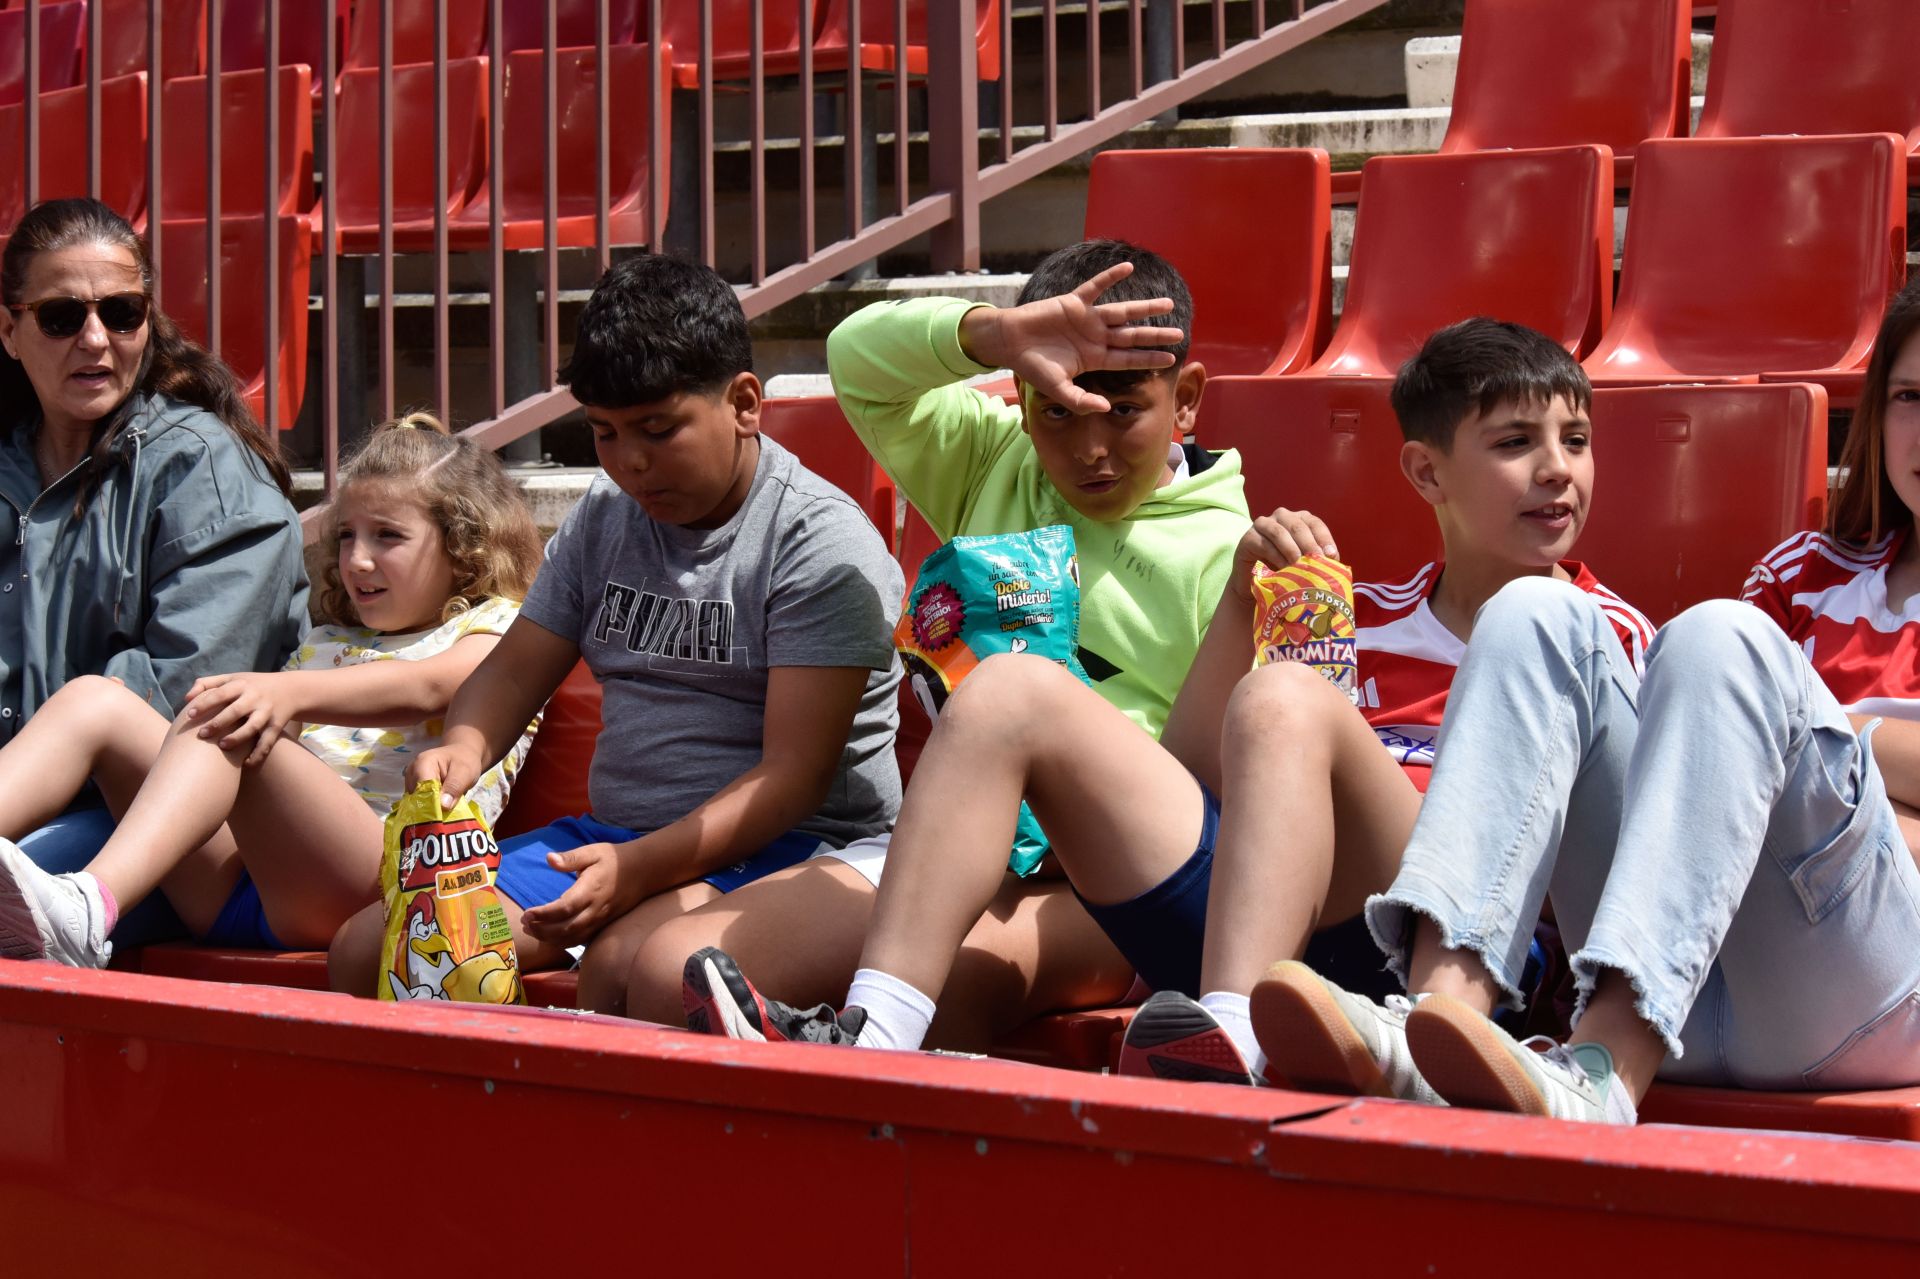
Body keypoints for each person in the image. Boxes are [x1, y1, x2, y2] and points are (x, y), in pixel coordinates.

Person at [680, 318, 1651, 1071]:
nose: (1558, 470)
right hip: (1270, 930)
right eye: (1519, 441)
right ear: (1426, 471)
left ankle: (1230, 1037)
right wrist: (1237, 602)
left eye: (1577, 438)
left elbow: (1616, 868)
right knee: (1013, 689)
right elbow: (1193, 776)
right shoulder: (1355, 612)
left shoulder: (1609, 643)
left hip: (1455, 969)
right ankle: (876, 1031)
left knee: (1288, 703)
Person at [1248, 282, 1920, 1124]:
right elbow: (1723, 732)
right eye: (1910, 397)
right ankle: (1441, 1017)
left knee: (1729, 640)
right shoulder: (1802, 571)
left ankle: (1606, 1061)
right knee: (1555, 610)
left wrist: (1839, 744)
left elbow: (1762, 735)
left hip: (1867, 986)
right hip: (1694, 971)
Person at [672, 241, 1260, 1047]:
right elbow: (857, 357)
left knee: (967, 972)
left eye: (1123, 409)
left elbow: (1216, 784)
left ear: (1185, 399)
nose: (1089, 447)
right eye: (1057, 408)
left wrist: (1075, 824)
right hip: (957, 839)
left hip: (1103, 882)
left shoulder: (1230, 551)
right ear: (1021, 399)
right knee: (660, 965)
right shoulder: (991, 457)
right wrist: (999, 334)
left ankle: (869, 1060)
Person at [326, 255, 904, 999]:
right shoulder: (607, 516)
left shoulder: (817, 540)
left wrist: (638, 870)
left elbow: (790, 780)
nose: (631, 462)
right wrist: (464, 746)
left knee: (634, 969)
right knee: (371, 950)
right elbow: (509, 671)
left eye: (658, 430)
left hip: (794, 847)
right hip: (614, 838)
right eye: (603, 433)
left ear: (744, 402)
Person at [0, 414, 542, 965]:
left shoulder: (501, 629)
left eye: (388, 536)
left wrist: (285, 694)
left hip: (383, 887)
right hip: (242, 884)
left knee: (233, 710)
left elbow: (429, 686)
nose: (356, 559)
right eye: (347, 535)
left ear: (464, 546)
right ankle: (87, 897)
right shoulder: (328, 641)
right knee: (99, 702)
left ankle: (88, 912)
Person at [0, 198, 307, 943]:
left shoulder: (203, 467)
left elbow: (187, 698)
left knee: (15, 897)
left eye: (122, 311)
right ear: (9, 330)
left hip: (163, 828)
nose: (96, 339)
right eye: (62, 316)